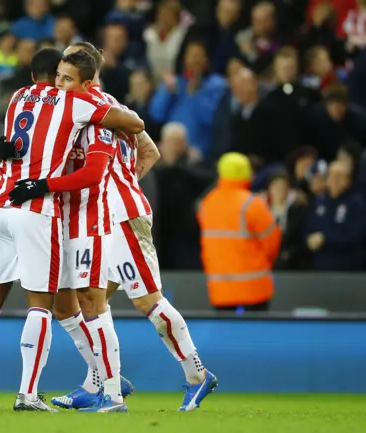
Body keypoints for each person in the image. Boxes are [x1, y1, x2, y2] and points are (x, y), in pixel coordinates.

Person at [0, 48, 144, 413]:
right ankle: (28, 393)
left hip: (0, 203)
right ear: (56, 73)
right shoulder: (76, 102)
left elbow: (11, 146)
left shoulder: (18, 97)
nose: (61, 83)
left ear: (30, 76)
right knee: (41, 305)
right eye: (60, 76)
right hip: (37, 209)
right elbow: (133, 124)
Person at [33, 41, 217, 413]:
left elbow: (132, 153)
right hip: (100, 218)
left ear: (88, 78)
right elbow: (150, 150)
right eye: (58, 76)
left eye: (67, 78)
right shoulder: (113, 107)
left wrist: (120, 187)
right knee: (88, 302)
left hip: (120, 216)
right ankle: (98, 383)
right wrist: (124, 179)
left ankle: (197, 375)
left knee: (146, 299)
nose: (60, 83)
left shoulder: (96, 111)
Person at [197, 153, 281, 311]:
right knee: (255, 334)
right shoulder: (253, 203)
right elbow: (272, 242)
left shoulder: (206, 204)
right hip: (254, 288)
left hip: (220, 289)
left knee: (225, 334)